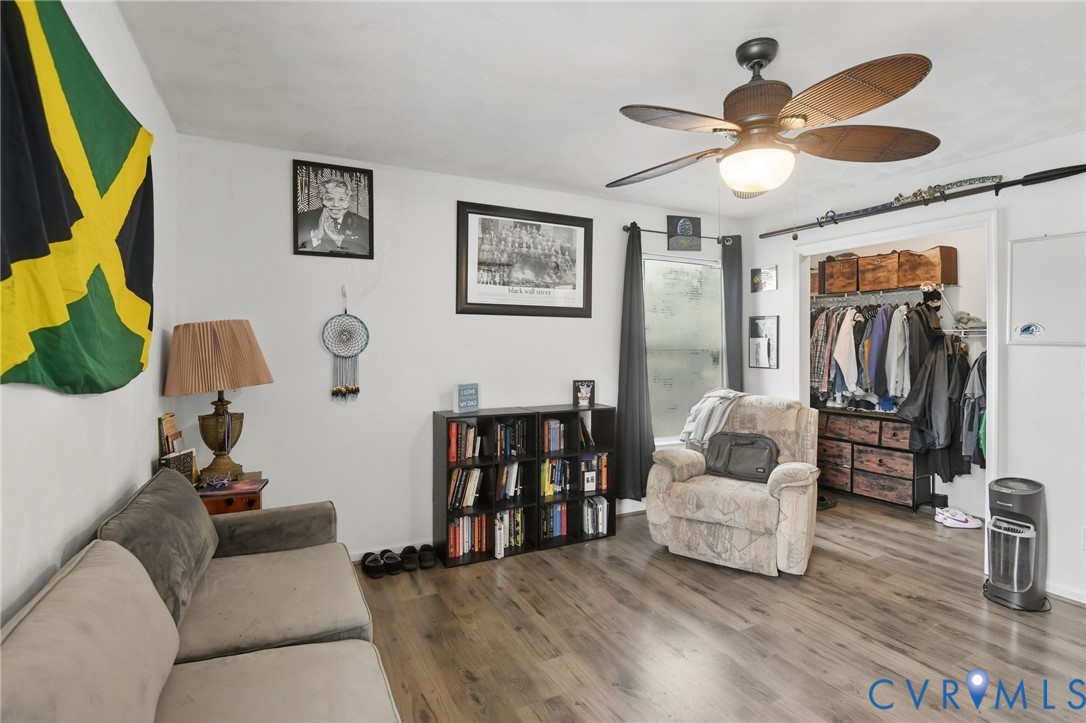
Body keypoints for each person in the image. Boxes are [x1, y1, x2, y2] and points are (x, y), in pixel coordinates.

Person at [296, 178, 370, 255]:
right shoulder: (301, 219)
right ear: (321, 199)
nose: (335, 204)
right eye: (329, 199)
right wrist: (315, 236)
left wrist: (338, 239)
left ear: (348, 201)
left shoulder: (365, 225)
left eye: (342, 199)